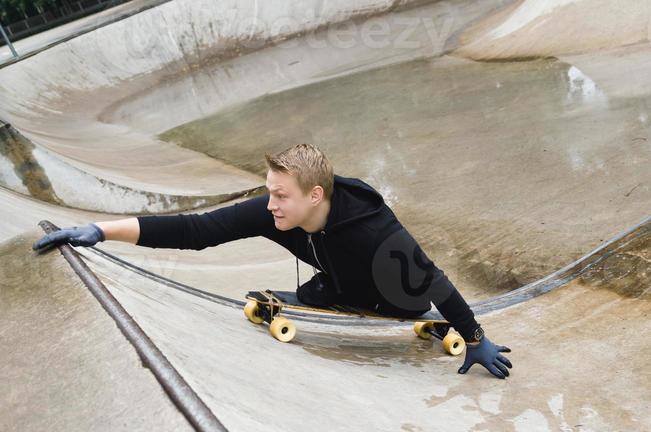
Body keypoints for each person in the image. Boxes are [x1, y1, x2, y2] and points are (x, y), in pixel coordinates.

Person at [33, 143, 512, 379]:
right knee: (314, 294)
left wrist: (474, 338)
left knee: (407, 297)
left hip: (395, 294)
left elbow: (435, 281)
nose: (271, 205)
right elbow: (196, 232)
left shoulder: (374, 230)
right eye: (269, 192)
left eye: (281, 195)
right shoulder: (274, 212)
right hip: (338, 280)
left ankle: (366, 302)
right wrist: (102, 231)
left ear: (315, 194)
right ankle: (326, 294)